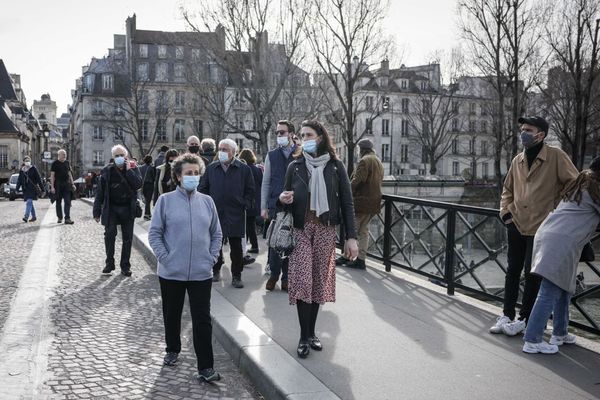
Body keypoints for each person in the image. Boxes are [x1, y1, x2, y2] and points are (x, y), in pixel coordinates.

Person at [491, 116, 578, 336]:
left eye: (528, 129)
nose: (523, 133)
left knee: (533, 274)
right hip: (517, 223)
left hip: (542, 227)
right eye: (522, 129)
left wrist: (555, 212)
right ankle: (507, 314)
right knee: (512, 271)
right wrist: (506, 214)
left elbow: (574, 184)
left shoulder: (556, 156)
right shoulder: (517, 160)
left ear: (541, 134)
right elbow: (507, 190)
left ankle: (525, 318)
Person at [278, 119, 358, 358]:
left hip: (325, 229)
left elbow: (347, 203)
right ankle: (303, 336)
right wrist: (282, 198)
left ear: (320, 137)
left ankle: (312, 333)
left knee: (317, 283)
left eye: (309, 135)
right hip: (300, 229)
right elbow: (281, 202)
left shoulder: (335, 166)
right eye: (302, 136)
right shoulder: (295, 166)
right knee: (303, 280)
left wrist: (351, 237)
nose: (304, 139)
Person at [148, 153, 223, 382]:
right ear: (178, 176)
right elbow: (155, 233)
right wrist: (165, 257)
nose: (193, 177)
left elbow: (216, 233)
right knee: (172, 314)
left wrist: (211, 257)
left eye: (196, 173)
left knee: (202, 319)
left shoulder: (207, 202)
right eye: (188, 173)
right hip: (171, 271)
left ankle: (206, 367)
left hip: (201, 271)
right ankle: (172, 348)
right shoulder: (165, 201)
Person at [522, 159, 600, 354]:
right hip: (562, 241)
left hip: (550, 235)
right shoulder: (595, 189)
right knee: (548, 292)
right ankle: (532, 340)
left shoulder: (582, 183)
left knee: (564, 288)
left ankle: (560, 332)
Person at [199, 138, 255, 288]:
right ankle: (216, 270)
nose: (221, 152)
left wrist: (245, 203)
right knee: (215, 243)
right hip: (216, 212)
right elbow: (203, 188)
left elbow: (250, 190)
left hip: (235, 212)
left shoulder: (243, 169)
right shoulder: (212, 168)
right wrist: (206, 204)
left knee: (236, 246)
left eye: (225, 149)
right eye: (220, 149)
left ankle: (237, 275)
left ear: (233, 152)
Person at [261, 120, 301, 291]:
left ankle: (287, 277)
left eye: (282, 132)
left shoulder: (300, 154)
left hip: (296, 204)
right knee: (276, 240)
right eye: (277, 133)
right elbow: (266, 182)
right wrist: (264, 206)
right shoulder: (271, 155)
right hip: (276, 204)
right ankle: (274, 274)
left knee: (292, 241)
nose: (279, 136)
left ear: (291, 134)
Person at [93, 145, 142, 277]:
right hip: (112, 208)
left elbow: (138, 184)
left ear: (126, 156)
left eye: (122, 155)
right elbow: (100, 193)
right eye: (117, 156)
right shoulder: (106, 171)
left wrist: (128, 170)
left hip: (127, 207)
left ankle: (125, 266)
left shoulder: (133, 167)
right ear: (113, 157)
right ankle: (109, 263)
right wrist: (96, 211)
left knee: (127, 238)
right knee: (109, 235)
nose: (120, 158)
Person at [337, 138, 384, 269]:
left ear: (362, 149)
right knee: (364, 232)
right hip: (374, 202)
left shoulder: (364, 161)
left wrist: (346, 191)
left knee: (351, 229)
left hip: (362, 201)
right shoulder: (378, 160)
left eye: (358, 149)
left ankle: (346, 256)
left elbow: (358, 180)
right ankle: (361, 259)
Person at [238, 148, 263, 253]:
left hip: (247, 200)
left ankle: (249, 246)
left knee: (246, 225)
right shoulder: (257, 169)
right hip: (256, 200)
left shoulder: (243, 169)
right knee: (251, 224)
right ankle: (253, 245)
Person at [50, 149, 76, 224]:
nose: (65, 155)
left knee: (67, 201)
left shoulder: (67, 163)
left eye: (65, 154)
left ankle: (67, 218)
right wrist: (52, 187)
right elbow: (52, 175)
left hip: (66, 184)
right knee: (58, 202)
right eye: (63, 154)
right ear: (59, 155)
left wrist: (73, 183)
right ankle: (59, 217)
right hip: (58, 184)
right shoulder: (55, 163)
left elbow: (69, 174)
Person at [16, 156, 43, 223]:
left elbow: (39, 179)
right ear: (24, 162)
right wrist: (17, 188)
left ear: (30, 161)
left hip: (32, 188)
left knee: (29, 202)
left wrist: (43, 189)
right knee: (30, 203)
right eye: (26, 160)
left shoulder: (33, 169)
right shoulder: (22, 170)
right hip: (25, 189)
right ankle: (34, 217)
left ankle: (26, 216)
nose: (27, 161)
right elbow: (19, 180)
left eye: (28, 160)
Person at [139, 155, 156, 220]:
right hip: (150, 185)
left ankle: (148, 214)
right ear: (151, 160)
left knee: (146, 200)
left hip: (142, 186)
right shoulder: (152, 168)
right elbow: (154, 177)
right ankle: (146, 214)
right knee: (148, 200)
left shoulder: (140, 168)